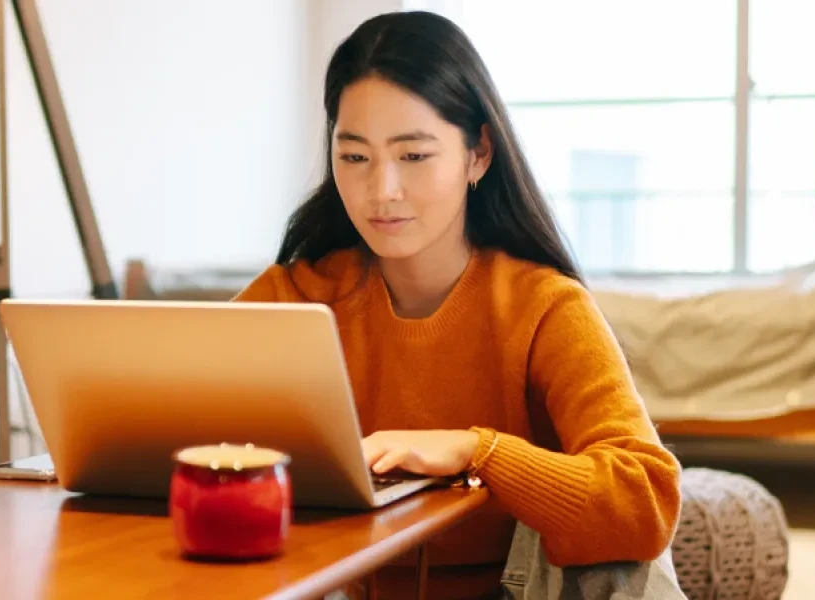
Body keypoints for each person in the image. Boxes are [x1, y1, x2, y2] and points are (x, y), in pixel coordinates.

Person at [234, 10, 685, 600]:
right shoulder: (293, 296)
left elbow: (645, 500)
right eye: (354, 157)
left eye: (414, 156)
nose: (381, 190)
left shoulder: (543, 304)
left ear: (479, 154)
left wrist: (478, 451)